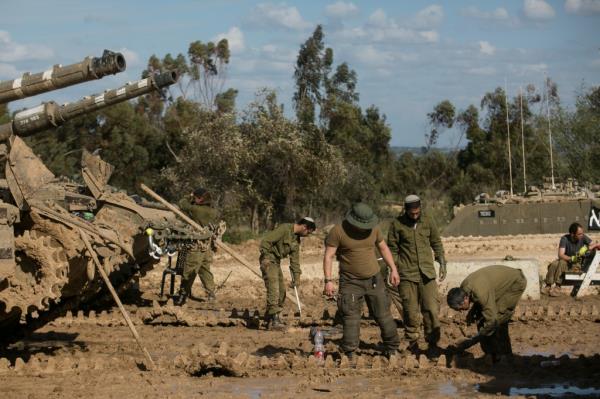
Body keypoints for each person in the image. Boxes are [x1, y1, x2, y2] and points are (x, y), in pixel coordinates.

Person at [323, 203, 401, 359]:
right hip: (350, 282)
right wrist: (328, 280)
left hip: (374, 279)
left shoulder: (374, 229)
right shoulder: (338, 231)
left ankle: (392, 348)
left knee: (383, 315)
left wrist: (393, 269)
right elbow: (328, 256)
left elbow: (383, 248)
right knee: (351, 317)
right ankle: (349, 352)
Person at [386, 194, 446, 358]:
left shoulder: (428, 220)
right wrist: (394, 269)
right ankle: (412, 343)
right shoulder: (397, 224)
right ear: (406, 210)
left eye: (417, 212)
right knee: (410, 311)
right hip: (407, 275)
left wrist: (442, 261)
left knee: (431, 310)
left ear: (420, 208)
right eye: (411, 213)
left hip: (427, 274)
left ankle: (433, 343)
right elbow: (392, 249)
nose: (415, 215)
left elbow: (436, 242)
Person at [447, 265, 527, 362]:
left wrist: (472, 341)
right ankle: (491, 354)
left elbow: (493, 320)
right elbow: (479, 300)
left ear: (465, 299)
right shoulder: (464, 288)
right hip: (495, 288)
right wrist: (472, 313)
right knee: (482, 317)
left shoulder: (480, 292)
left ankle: (505, 355)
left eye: (460, 308)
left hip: (514, 283)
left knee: (500, 318)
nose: (460, 311)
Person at [259, 217, 316, 330]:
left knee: (281, 292)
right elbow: (266, 241)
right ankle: (274, 320)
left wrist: (297, 278)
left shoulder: (296, 240)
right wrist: (265, 257)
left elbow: (295, 261)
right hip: (269, 260)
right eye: (308, 232)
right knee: (273, 288)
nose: (307, 235)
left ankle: (269, 317)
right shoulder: (284, 229)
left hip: (276, 262)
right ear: (304, 227)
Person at [174, 187, 219, 306]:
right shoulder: (213, 211)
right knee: (205, 269)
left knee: (189, 270)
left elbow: (182, 204)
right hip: (207, 246)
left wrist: (189, 196)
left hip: (196, 246)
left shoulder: (197, 210)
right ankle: (211, 293)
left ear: (200, 199)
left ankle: (183, 296)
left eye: (195, 198)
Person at [543, 222, 600, 296]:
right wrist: (572, 258)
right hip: (567, 261)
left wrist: (586, 248)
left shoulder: (583, 237)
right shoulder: (565, 239)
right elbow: (561, 254)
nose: (581, 235)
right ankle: (548, 285)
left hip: (576, 265)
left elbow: (595, 244)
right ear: (572, 234)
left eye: (582, 233)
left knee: (562, 262)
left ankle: (558, 286)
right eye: (579, 234)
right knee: (554, 264)